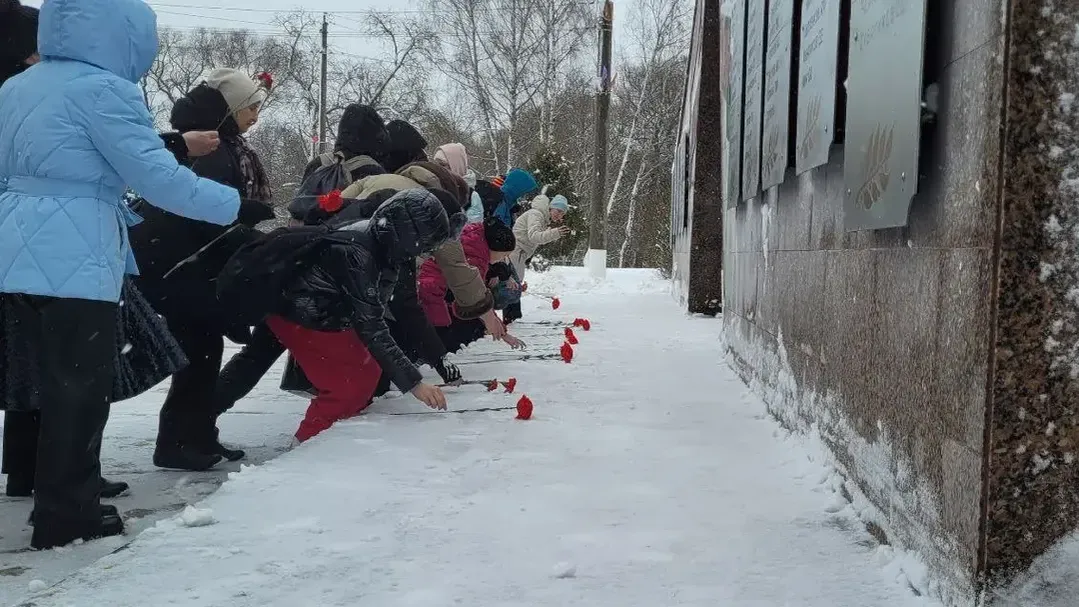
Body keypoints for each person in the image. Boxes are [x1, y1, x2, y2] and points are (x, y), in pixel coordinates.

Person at [0, 0, 241, 550]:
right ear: (123, 34)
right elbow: (155, 176)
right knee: (79, 390)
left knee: (47, 384)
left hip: (12, 253)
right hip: (75, 255)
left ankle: (57, 496)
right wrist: (231, 205)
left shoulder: (18, 87)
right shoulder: (104, 91)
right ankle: (68, 514)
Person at [129, 69, 275, 472]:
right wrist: (242, 217)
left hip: (188, 262)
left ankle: (195, 436)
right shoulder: (211, 150)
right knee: (199, 353)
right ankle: (177, 442)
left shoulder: (224, 147)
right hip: (178, 264)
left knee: (203, 352)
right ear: (229, 110)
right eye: (250, 107)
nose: (255, 115)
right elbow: (200, 211)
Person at [223, 190, 452, 442]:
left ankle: (194, 418)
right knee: (347, 386)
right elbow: (372, 326)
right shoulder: (359, 254)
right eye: (427, 245)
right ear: (410, 236)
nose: (428, 253)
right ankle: (310, 443)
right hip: (303, 313)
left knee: (365, 370)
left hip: (317, 309)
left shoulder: (381, 243)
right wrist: (414, 384)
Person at [418, 217, 518, 353]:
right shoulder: (476, 255)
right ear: (495, 246)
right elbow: (476, 294)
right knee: (442, 335)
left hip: (433, 286)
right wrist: (498, 328)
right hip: (432, 290)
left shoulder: (475, 238)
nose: (503, 260)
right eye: (503, 255)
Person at [510, 193, 570, 289]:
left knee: (515, 286)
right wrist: (554, 233)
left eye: (562, 213)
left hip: (519, 253)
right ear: (550, 207)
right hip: (516, 251)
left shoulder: (542, 218)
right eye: (558, 210)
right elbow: (534, 237)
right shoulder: (536, 214)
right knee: (512, 288)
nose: (559, 215)